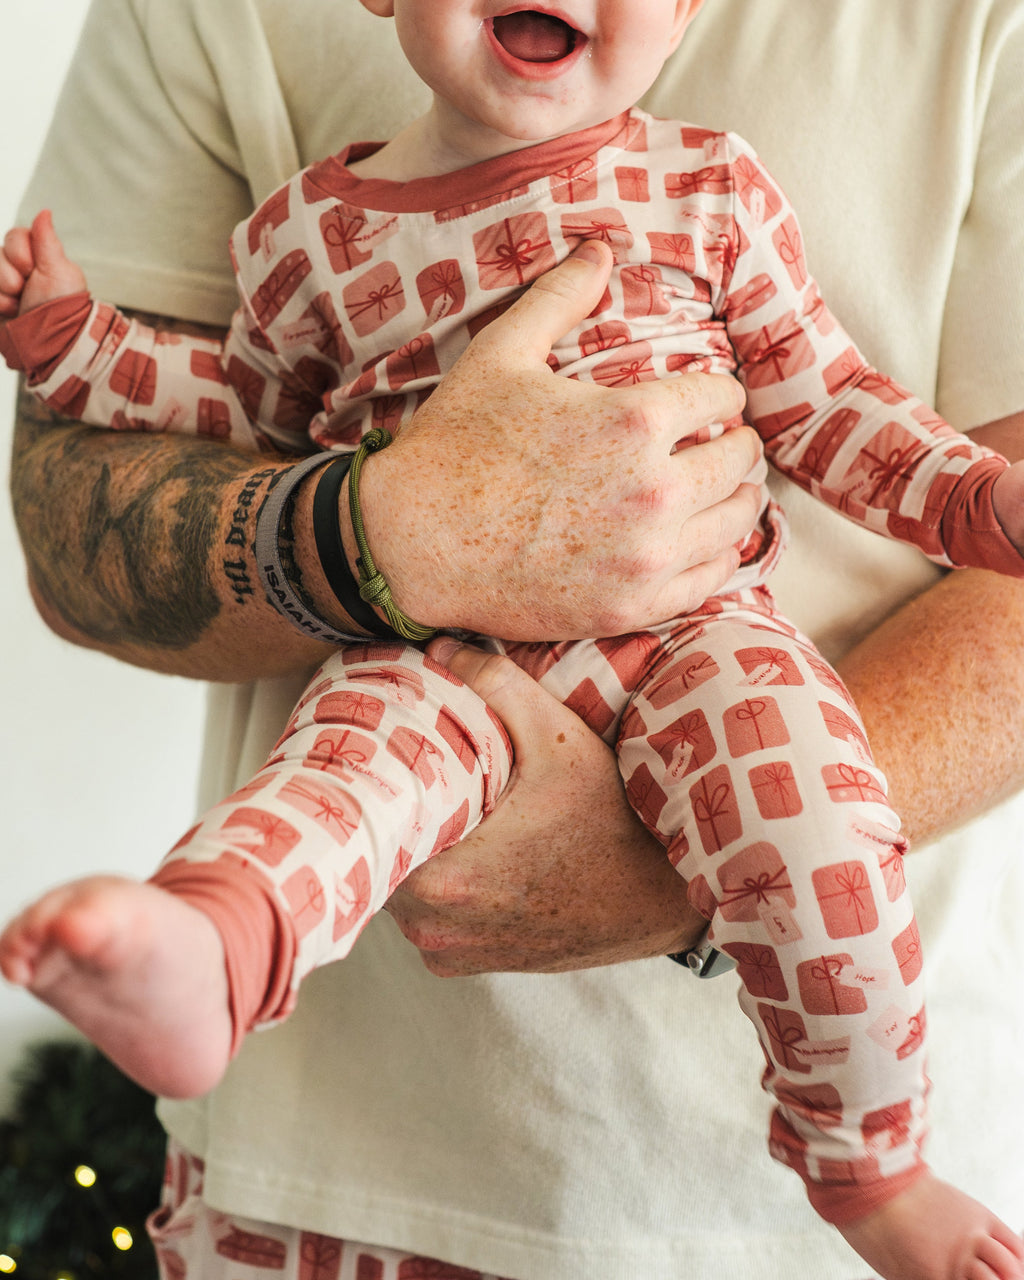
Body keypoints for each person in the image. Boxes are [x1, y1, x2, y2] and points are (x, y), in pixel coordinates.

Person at [6, 0, 1024, 1277]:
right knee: (343, 776)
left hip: (702, 637)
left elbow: (823, 400)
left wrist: (975, 499)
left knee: (809, 806)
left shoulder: (706, 188)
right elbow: (246, 409)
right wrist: (80, 348)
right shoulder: (310, 238)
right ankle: (216, 941)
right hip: (441, 660)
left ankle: (867, 1157)